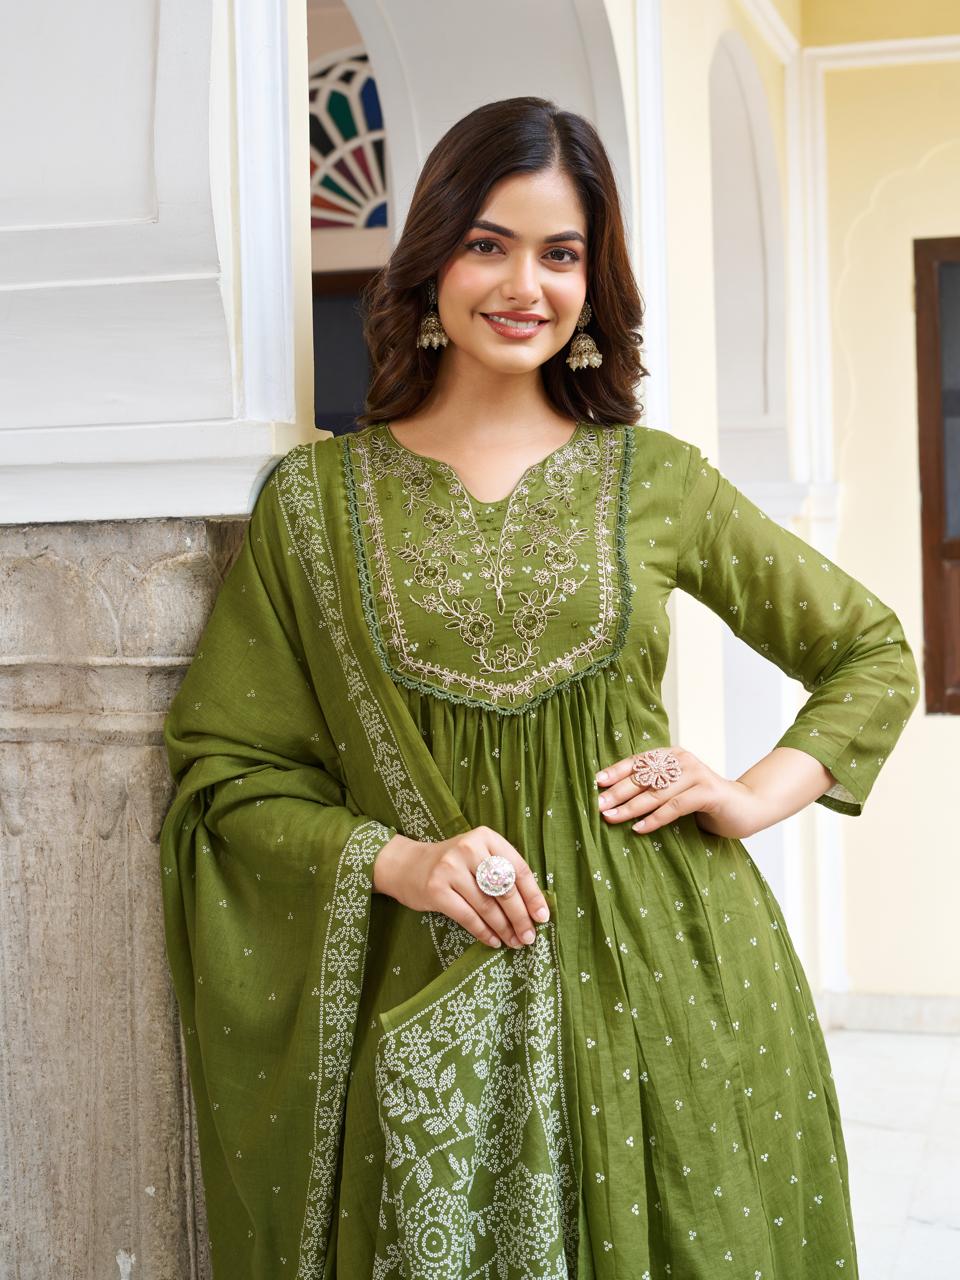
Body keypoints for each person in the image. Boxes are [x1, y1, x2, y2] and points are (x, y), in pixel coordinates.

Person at [159, 96, 920, 1279]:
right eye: (488, 244)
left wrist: (748, 795)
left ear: (592, 280)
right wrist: (398, 860)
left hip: (669, 987)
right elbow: (230, 768)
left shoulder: (655, 478)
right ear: (431, 261)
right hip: (431, 992)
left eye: (561, 253)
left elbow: (870, 650)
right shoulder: (315, 505)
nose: (526, 285)